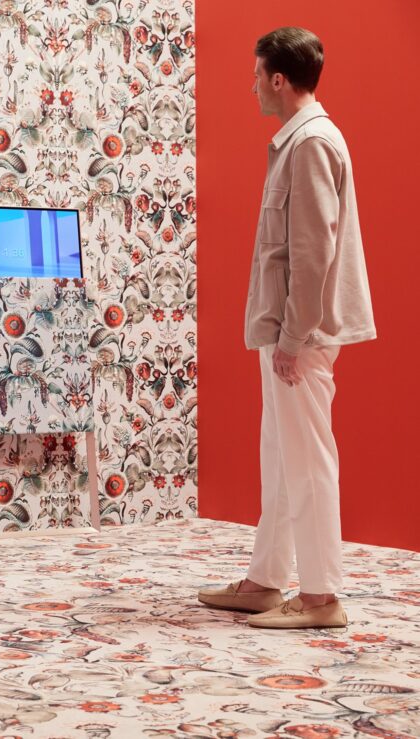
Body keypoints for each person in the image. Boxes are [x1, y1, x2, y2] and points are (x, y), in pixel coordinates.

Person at [197, 27, 375, 628]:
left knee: (307, 460)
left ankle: (323, 597)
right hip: (284, 331)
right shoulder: (298, 141)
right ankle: (266, 580)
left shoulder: (311, 144)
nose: (250, 86)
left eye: (256, 75)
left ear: (278, 78)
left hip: (299, 336)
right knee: (280, 456)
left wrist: (294, 339)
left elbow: (313, 252)